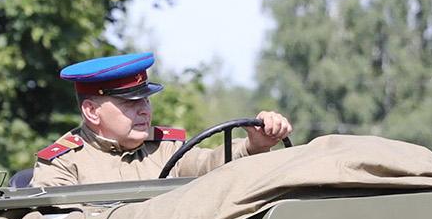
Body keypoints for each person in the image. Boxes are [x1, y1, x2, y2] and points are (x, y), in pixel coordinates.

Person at [31, 52, 293, 187]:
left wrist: (253, 146)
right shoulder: (63, 163)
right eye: (130, 103)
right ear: (91, 111)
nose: (144, 110)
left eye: (145, 100)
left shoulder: (165, 148)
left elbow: (206, 163)